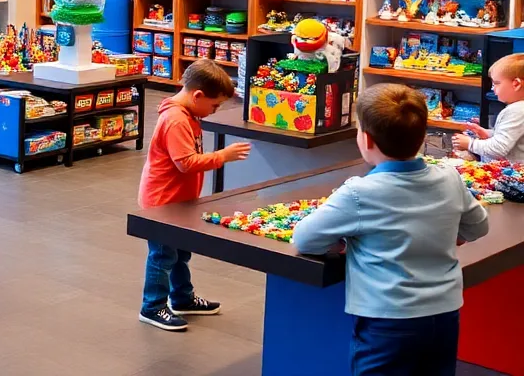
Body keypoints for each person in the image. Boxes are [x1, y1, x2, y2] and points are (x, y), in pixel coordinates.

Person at [293, 84, 490, 376]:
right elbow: (479, 226)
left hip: (387, 319)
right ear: (423, 136)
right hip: (444, 312)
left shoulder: (359, 192)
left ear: (366, 139)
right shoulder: (449, 177)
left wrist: (342, 245)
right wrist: (451, 234)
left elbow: (304, 238)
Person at [137, 60, 250, 331]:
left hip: (179, 199)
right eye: (214, 106)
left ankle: (182, 298)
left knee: (180, 252)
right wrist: (222, 156)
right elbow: (185, 163)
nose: (214, 111)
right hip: (164, 202)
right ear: (197, 95)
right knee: (163, 256)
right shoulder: (176, 120)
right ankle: (152, 307)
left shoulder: (187, 114)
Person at [453, 52, 524, 162]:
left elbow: (498, 148)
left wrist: (470, 144)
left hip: (513, 175)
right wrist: (488, 133)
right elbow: (514, 138)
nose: (492, 88)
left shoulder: (516, 111)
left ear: (516, 84)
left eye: (496, 83)